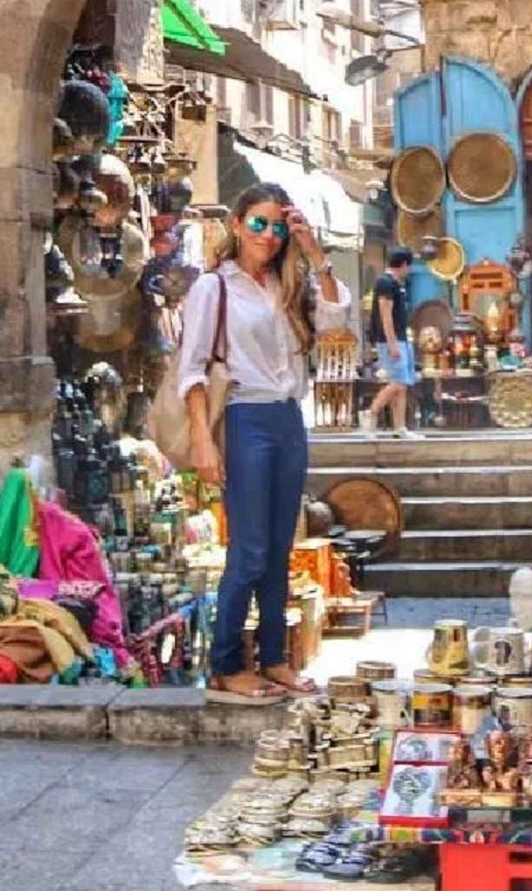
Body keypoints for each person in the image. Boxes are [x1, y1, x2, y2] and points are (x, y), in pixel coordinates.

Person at [181, 182, 352, 703]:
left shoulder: (288, 285)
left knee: (280, 550)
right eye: (258, 223)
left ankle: (275, 659)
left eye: (279, 226)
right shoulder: (214, 287)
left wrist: (314, 252)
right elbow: (191, 370)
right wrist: (203, 442)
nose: (269, 235)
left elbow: (336, 322)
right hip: (244, 417)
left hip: (287, 419)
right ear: (236, 225)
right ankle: (226, 665)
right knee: (250, 550)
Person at [364, 246, 420, 438]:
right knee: (398, 382)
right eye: (408, 266)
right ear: (404, 264)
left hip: (402, 338)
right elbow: (385, 315)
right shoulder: (385, 283)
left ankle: (400, 427)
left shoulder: (397, 284)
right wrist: (392, 344)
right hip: (391, 340)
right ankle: (371, 411)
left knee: (402, 385)